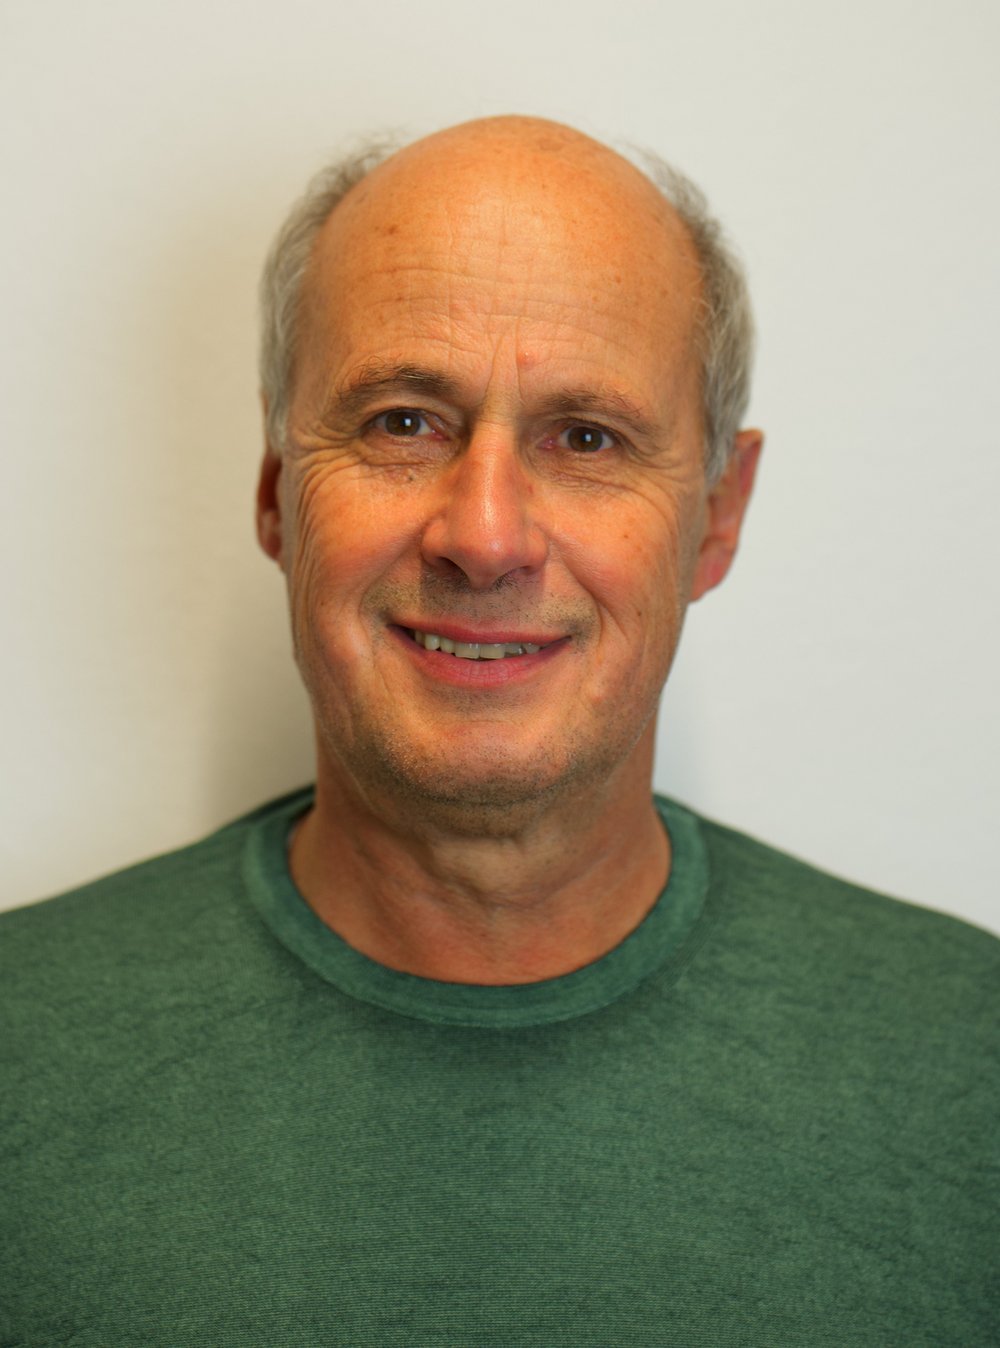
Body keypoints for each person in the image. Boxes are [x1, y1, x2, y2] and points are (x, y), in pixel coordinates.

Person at [2, 117, 996, 1346]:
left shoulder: (972, 1066)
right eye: (402, 422)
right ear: (276, 490)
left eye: (587, 438)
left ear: (716, 515)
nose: (483, 536)